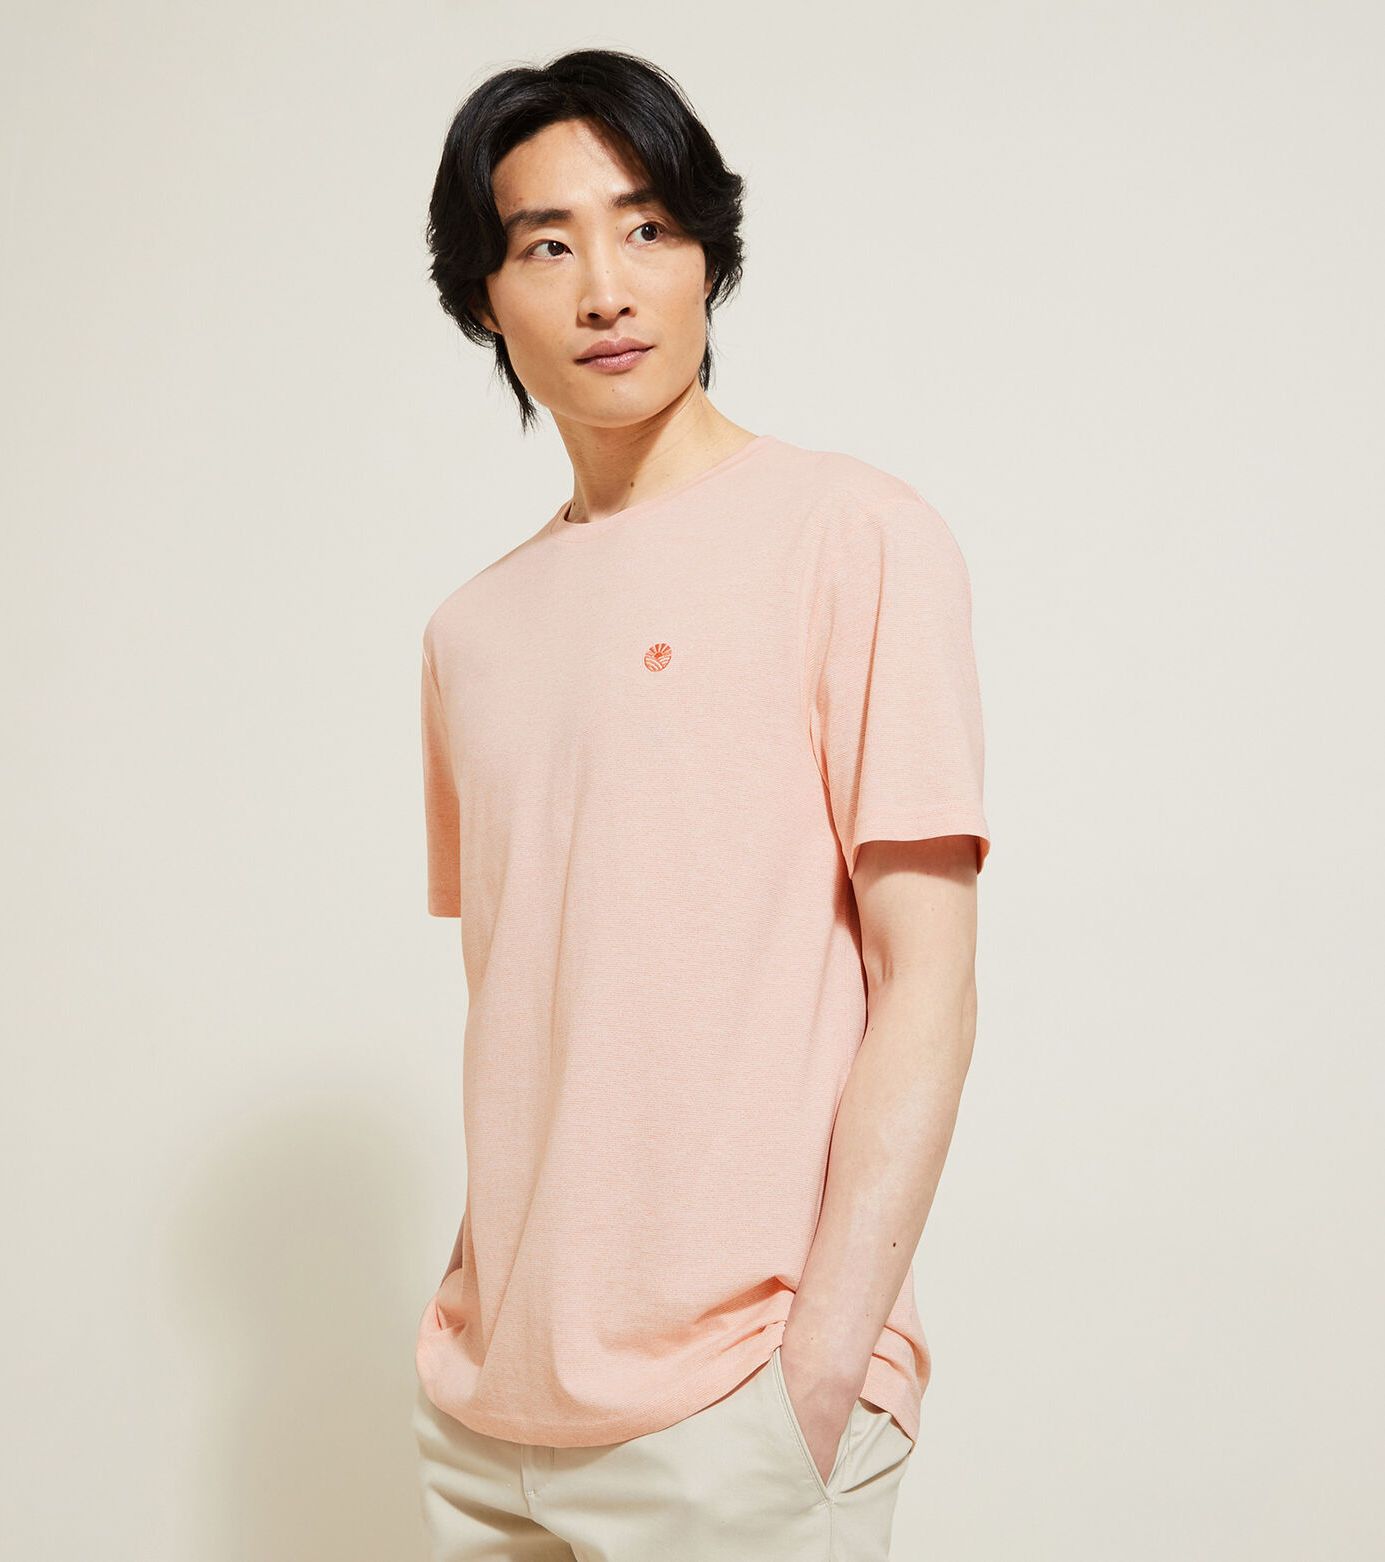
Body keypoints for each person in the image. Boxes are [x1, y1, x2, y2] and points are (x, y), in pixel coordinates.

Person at [409, 47, 991, 1562]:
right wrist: (473, 1322)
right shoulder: (470, 633)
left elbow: (926, 978)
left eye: (649, 227)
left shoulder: (851, 533)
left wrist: (821, 1369)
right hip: (488, 1413)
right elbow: (523, 1002)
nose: (606, 288)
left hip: (737, 1403)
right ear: (485, 297)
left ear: (707, 258)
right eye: (547, 245)